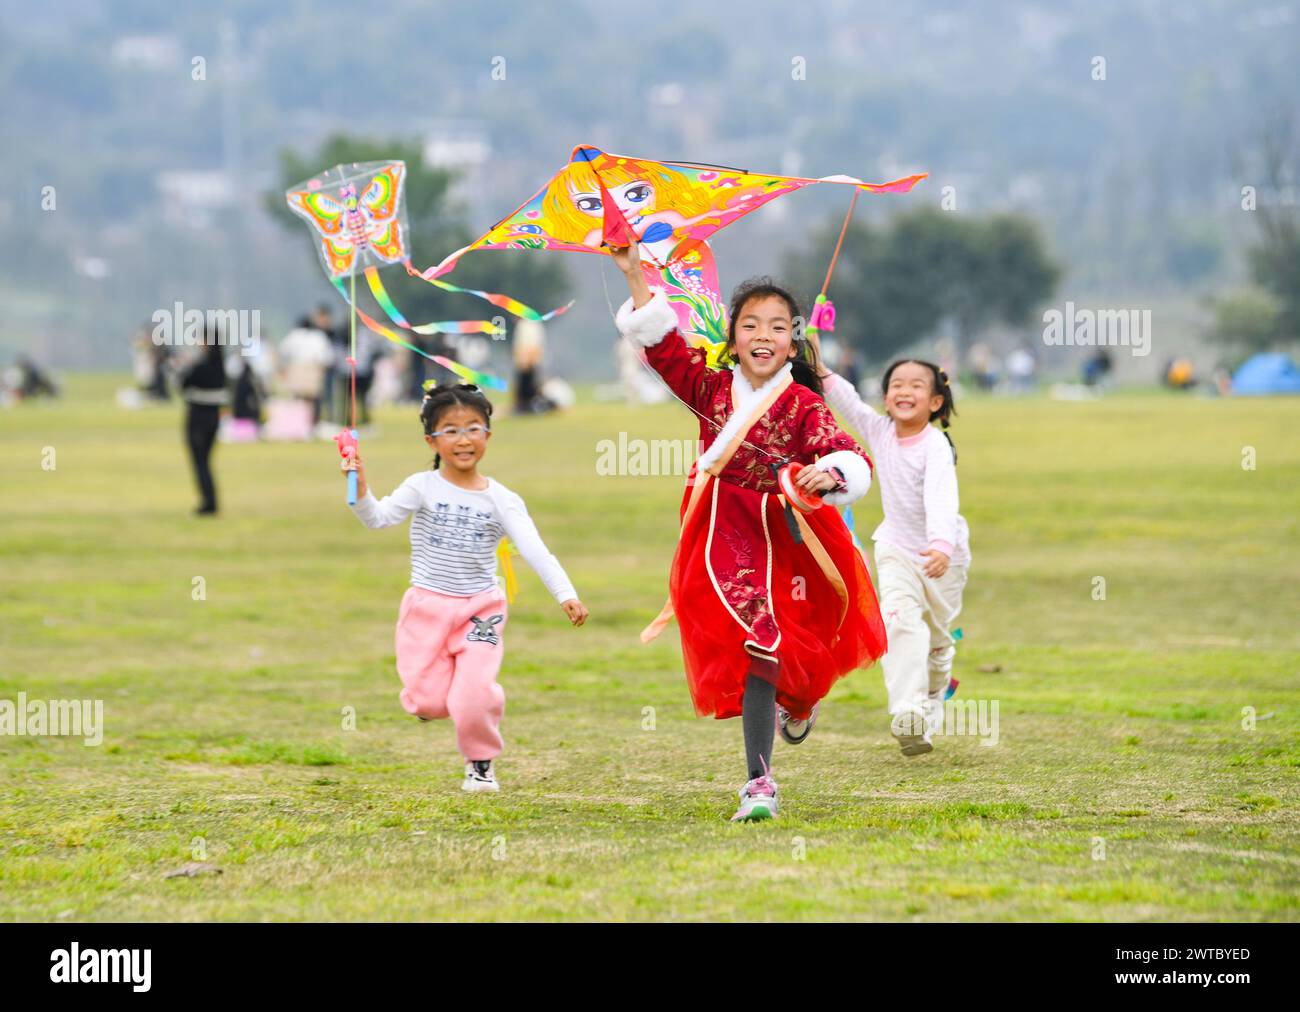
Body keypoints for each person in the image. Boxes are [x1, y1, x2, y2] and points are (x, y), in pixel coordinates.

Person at [612, 242, 886, 822]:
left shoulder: (804, 404)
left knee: (799, 651)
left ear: (794, 340)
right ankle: (759, 784)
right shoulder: (710, 389)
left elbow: (846, 453)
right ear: (733, 336)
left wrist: (830, 473)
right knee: (760, 641)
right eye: (751, 324)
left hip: (791, 536)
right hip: (723, 534)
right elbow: (662, 348)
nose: (764, 335)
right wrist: (635, 273)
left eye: (778, 326)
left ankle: (803, 701)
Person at [340, 382, 588, 792]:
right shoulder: (422, 486)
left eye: (473, 428)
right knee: (428, 701)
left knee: (472, 694)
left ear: (488, 434)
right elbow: (377, 519)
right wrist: (359, 486)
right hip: (426, 607)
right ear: (431, 440)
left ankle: (480, 762)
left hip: (481, 610)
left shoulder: (502, 499)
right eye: (451, 430)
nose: (463, 439)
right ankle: (448, 701)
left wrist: (566, 595)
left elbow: (536, 550)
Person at [808, 336, 970, 757]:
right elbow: (847, 402)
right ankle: (907, 713)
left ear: (935, 402)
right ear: (886, 396)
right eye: (896, 384)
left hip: (942, 555)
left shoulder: (935, 445)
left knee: (937, 640)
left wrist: (941, 546)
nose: (904, 391)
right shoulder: (879, 431)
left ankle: (934, 691)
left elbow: (941, 498)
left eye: (917, 385)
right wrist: (820, 365)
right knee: (898, 622)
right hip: (897, 547)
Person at [179, 336, 228, 515]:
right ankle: (211, 500)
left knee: (200, 462)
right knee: (206, 462)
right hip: (214, 418)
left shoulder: (201, 367)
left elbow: (183, 385)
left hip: (198, 418)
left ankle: (208, 503)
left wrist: (185, 367)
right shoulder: (223, 367)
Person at [278, 315, 334, 425]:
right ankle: (313, 423)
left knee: (298, 399)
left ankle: (300, 424)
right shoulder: (319, 336)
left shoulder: (293, 335)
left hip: (297, 368)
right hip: (313, 368)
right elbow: (327, 357)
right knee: (313, 399)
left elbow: (283, 351)